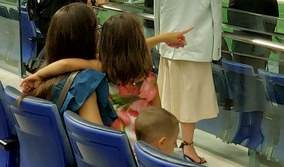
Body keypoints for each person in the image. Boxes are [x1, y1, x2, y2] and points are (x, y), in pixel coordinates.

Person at [22, 13, 192, 131]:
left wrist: (38, 75)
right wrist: (164, 38)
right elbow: (159, 117)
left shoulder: (101, 67)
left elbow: (66, 64)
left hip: (118, 146)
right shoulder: (149, 80)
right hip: (143, 147)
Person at [154, 0, 222, 164]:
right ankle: (187, 146)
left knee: (169, 98)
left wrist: (160, 39)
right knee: (188, 100)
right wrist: (216, 51)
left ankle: (169, 142)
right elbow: (216, 15)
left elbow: (157, 10)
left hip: (170, 45)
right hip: (197, 46)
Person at [19, 3, 117, 126]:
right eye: (96, 29)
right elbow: (96, 135)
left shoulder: (44, 77)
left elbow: (66, 64)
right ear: (86, 39)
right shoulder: (84, 84)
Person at [227, 0, 279, 150]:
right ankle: (250, 128)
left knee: (243, 86)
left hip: (241, 47)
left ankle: (252, 129)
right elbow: (272, 24)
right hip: (260, 50)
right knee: (254, 87)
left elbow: (232, 21)